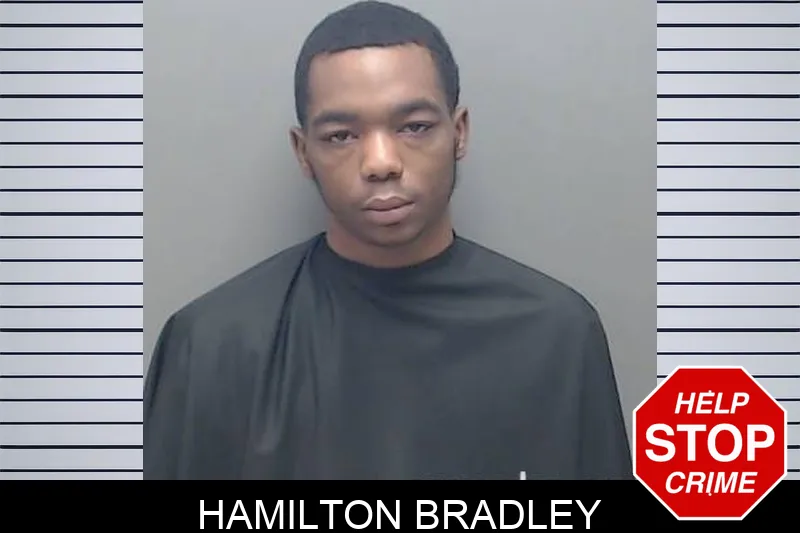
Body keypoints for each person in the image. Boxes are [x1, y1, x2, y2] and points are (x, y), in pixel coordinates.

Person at [143, 0, 632, 480]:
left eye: (414, 127)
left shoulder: (558, 336)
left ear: (459, 132)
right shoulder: (210, 347)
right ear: (303, 151)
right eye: (341, 135)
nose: (381, 162)